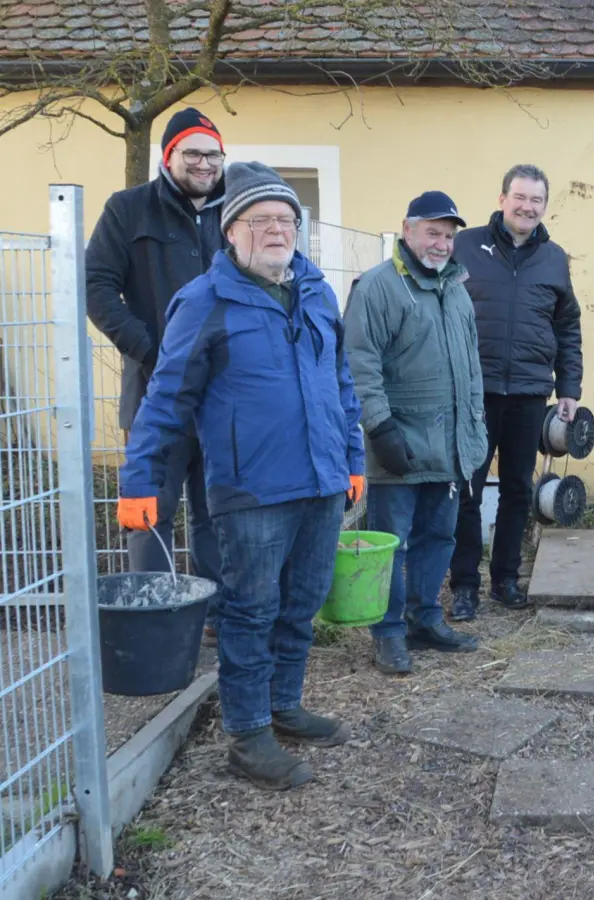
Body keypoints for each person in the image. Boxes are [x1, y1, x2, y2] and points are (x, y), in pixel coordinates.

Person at [117, 162, 366, 791]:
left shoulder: (317, 291)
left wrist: (353, 460)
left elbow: (341, 384)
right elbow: (166, 397)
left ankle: (284, 705)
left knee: (302, 604)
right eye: (261, 220)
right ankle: (248, 735)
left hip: (320, 480)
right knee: (251, 610)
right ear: (231, 231)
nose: (278, 230)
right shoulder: (205, 301)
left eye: (287, 219)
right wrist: (140, 482)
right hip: (250, 488)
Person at [86, 106, 226, 636]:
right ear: (169, 157)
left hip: (222, 391)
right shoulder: (128, 210)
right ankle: (157, 621)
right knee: (151, 510)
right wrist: (152, 350)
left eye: (213, 154)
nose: (204, 164)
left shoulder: (235, 207)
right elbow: (97, 288)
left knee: (217, 510)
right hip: (155, 391)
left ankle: (215, 616)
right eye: (192, 153)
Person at [344, 191, 488, 674]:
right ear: (407, 230)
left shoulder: (457, 290)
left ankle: (425, 619)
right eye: (432, 232)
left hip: (448, 445)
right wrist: (380, 428)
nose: (441, 244)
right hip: (400, 443)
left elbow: (470, 369)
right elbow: (359, 364)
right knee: (392, 544)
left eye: (448, 236)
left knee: (439, 537)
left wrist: (474, 428)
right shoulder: (379, 288)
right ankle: (388, 632)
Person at [448, 164, 584, 620]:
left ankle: (505, 579)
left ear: (545, 206)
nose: (527, 207)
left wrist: (568, 387)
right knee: (466, 488)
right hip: (474, 392)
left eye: (537, 201)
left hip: (529, 392)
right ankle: (465, 584)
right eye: (520, 198)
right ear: (503, 198)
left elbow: (567, 326)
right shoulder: (464, 246)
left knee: (517, 491)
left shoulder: (554, 258)